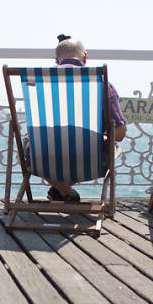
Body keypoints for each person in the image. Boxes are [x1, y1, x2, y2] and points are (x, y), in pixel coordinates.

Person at [39, 38, 127, 202]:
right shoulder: (102, 83)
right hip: (90, 160)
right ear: (85, 57)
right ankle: (65, 190)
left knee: (32, 145)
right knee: (107, 146)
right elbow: (120, 133)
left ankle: (63, 189)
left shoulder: (39, 81)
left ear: (57, 61)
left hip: (42, 158)